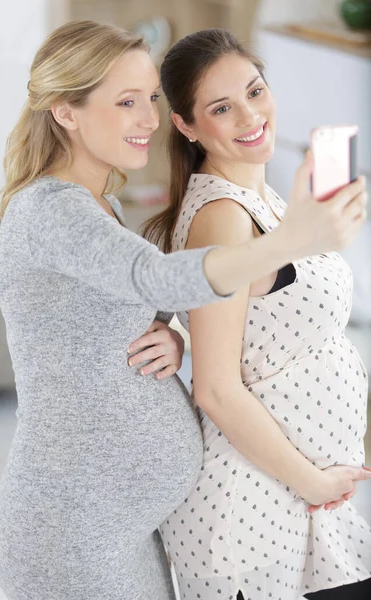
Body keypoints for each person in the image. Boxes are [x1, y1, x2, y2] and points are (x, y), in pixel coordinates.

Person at [0, 21, 368, 600]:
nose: (147, 119)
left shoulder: (102, 205)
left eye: (151, 100)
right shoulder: (49, 210)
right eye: (125, 102)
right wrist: (290, 241)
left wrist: (177, 335)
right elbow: (157, 276)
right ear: (66, 111)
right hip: (72, 529)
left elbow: (126, 306)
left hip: (124, 527)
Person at [141, 28, 371, 600]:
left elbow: (247, 330)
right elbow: (216, 391)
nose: (250, 115)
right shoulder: (222, 214)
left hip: (297, 501)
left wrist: (183, 333)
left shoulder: (262, 198)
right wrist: (314, 482)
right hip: (257, 513)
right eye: (222, 107)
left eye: (255, 90)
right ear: (187, 127)